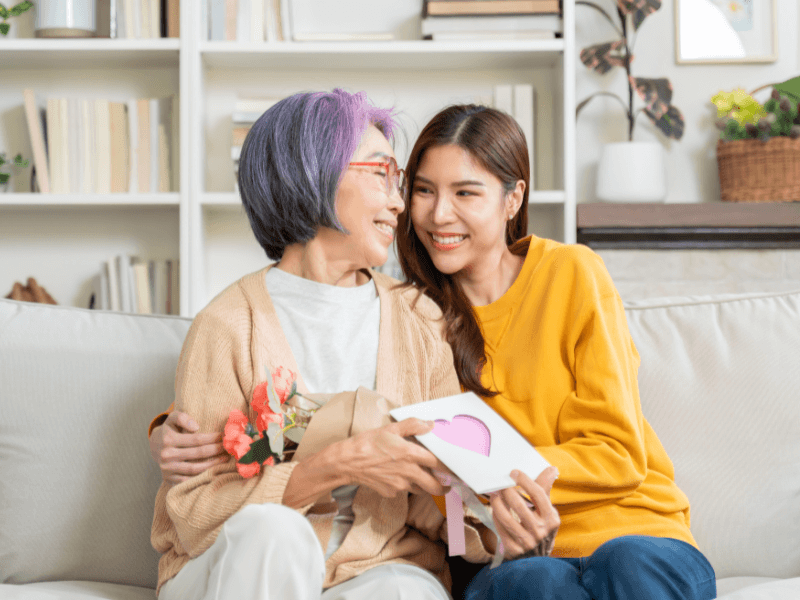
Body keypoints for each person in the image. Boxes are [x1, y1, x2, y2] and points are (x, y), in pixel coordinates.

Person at [150, 89, 559, 600]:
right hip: (236, 567)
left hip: (378, 571)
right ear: (313, 171)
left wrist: (497, 523)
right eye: (381, 173)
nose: (400, 202)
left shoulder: (418, 320)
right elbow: (194, 515)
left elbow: (437, 500)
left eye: (399, 180)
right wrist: (337, 464)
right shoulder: (228, 325)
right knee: (274, 533)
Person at [393, 103, 717, 600]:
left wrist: (495, 480)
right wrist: (484, 502)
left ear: (512, 197)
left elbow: (617, 452)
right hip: (511, 555)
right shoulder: (411, 318)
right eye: (423, 190)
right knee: (535, 583)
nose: (439, 214)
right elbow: (429, 482)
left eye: (465, 193)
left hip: (636, 530)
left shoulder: (572, 273)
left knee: (628, 565)